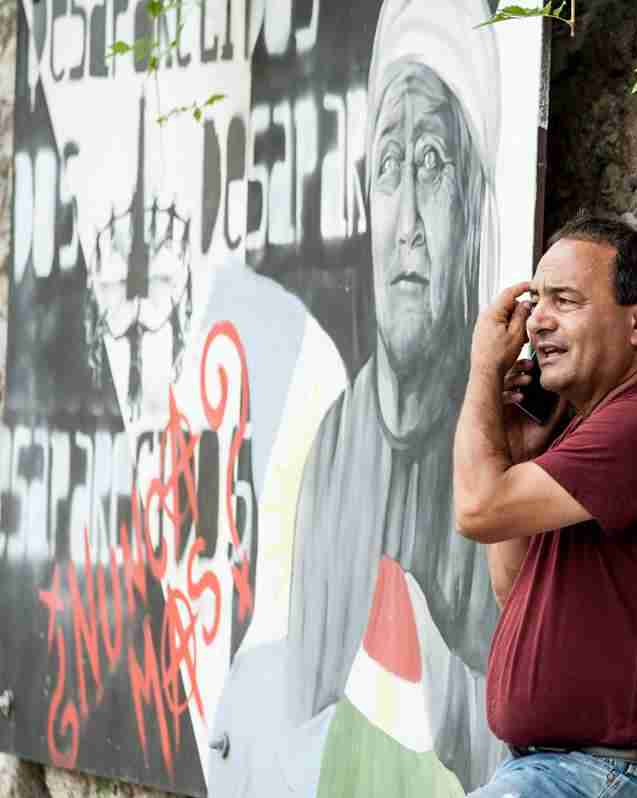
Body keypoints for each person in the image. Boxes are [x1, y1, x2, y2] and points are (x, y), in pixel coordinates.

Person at [206, 0, 506, 795]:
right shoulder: (334, 446)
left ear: (475, 206)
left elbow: (523, 736)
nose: (407, 223)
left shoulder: (504, 431)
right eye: (389, 167)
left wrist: (435, 682)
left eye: (433, 165)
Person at [453, 215, 637, 798]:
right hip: (566, 774)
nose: (537, 321)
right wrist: (515, 452)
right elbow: (512, 587)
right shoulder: (594, 434)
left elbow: (477, 510)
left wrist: (484, 369)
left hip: (618, 775)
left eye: (565, 300)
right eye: (537, 301)